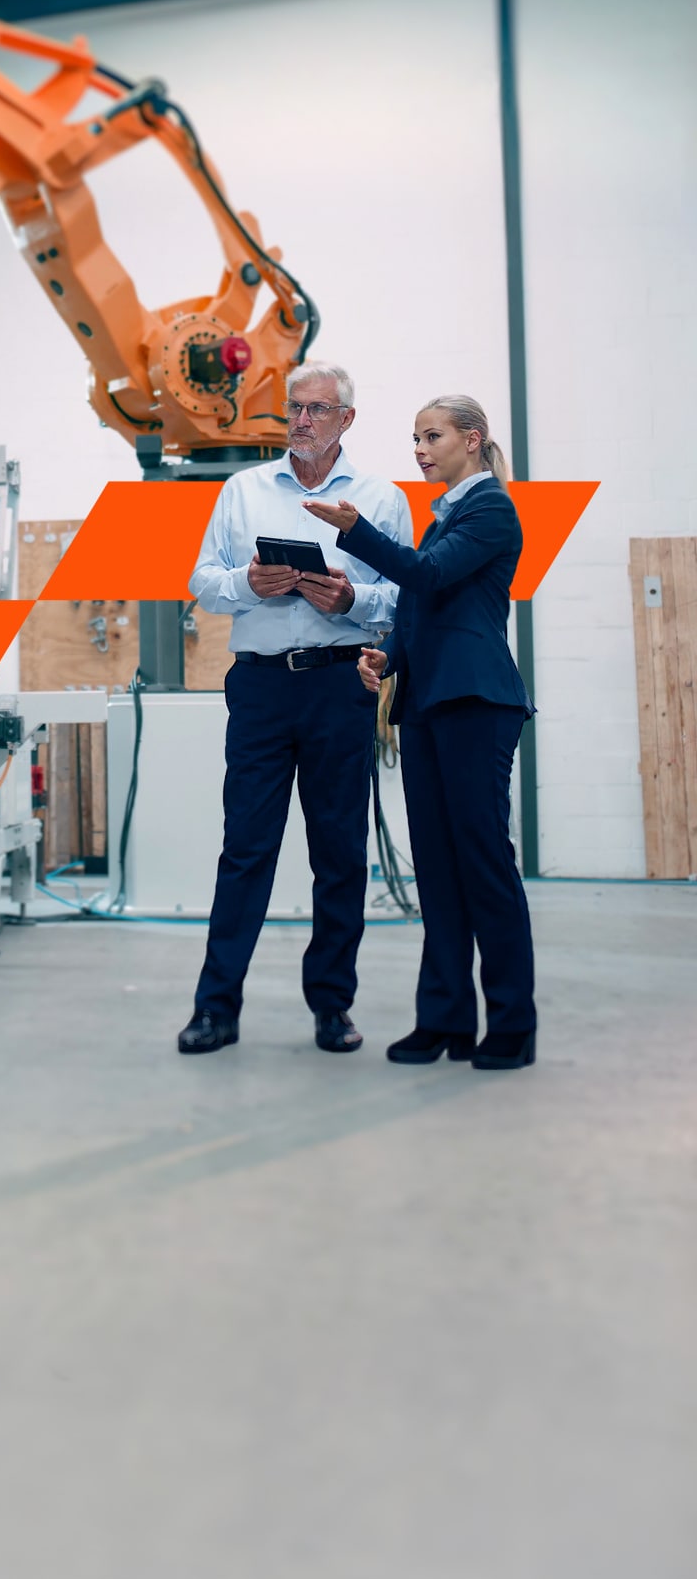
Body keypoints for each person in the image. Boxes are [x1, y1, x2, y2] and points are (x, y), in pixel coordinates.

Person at [178, 363, 413, 1056]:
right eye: (294, 409)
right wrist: (249, 584)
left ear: (346, 419)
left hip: (340, 687)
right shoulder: (242, 490)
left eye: (317, 409)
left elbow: (405, 596)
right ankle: (215, 1008)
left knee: (339, 854)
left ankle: (332, 1007)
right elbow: (203, 583)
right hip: (260, 689)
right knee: (246, 848)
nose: (302, 420)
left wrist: (352, 602)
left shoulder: (380, 497)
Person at [303, 395, 537, 1071]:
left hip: (476, 703)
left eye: (432, 436)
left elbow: (428, 576)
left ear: (473, 438)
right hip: (432, 703)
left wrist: (358, 530)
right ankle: (445, 1021)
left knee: (484, 866)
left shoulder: (490, 508)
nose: (420, 449)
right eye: (414, 438)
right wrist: (389, 656)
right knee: (437, 871)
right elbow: (424, 606)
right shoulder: (448, 518)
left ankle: (512, 1024)